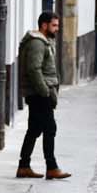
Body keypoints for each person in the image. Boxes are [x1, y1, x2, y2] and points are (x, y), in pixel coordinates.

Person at [16, 11, 70, 180]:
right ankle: (51, 167)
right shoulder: (37, 43)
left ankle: (24, 166)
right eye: (54, 25)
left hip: (38, 93)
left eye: (57, 25)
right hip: (39, 94)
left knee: (34, 129)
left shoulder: (44, 41)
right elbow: (34, 69)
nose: (57, 29)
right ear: (44, 25)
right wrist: (45, 92)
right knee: (50, 128)